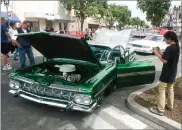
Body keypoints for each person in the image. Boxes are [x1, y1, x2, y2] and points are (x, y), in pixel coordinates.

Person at [150, 31, 180, 116]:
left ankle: (160, 109)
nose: (164, 40)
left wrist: (156, 53)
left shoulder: (169, 48)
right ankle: (170, 106)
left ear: (170, 39)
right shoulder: (177, 47)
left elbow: (164, 60)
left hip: (166, 73)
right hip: (173, 72)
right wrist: (159, 51)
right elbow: (166, 57)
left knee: (162, 89)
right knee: (170, 88)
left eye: (165, 39)